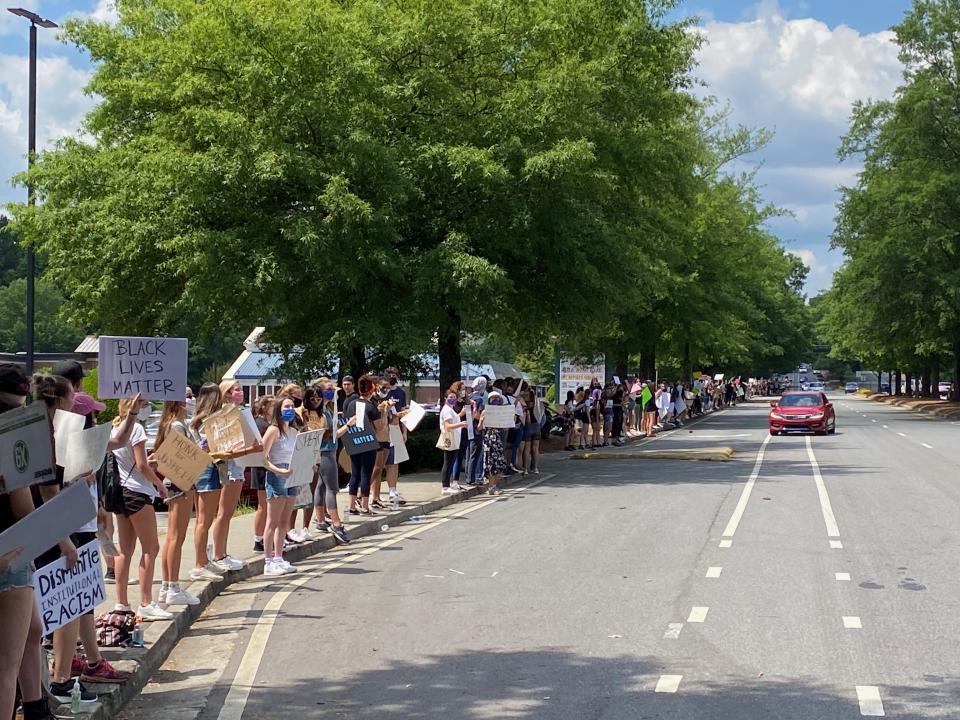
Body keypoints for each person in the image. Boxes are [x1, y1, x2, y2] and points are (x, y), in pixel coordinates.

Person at [33, 375, 136, 704]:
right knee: (68, 605)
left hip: (78, 526)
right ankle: (61, 678)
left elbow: (116, 442)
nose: (94, 417)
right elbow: (52, 491)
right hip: (67, 530)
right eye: (89, 412)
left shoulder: (74, 440)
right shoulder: (54, 442)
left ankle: (83, 663)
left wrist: (132, 414)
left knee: (81, 603)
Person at [0, 368, 71, 718]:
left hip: (11, 549)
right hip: (9, 549)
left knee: (33, 630)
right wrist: (47, 533)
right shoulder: (14, 430)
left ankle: (37, 708)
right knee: (5, 664)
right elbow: (21, 498)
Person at [110, 395, 172, 620]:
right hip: (137, 491)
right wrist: (158, 484)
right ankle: (146, 601)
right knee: (151, 547)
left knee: (124, 549)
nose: (147, 408)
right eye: (144, 404)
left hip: (120, 492)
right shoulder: (135, 428)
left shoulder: (114, 428)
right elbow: (142, 465)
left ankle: (121, 602)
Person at [153, 401, 200, 607]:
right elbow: (180, 457)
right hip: (181, 483)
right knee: (176, 537)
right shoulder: (177, 425)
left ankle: (167, 585)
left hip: (176, 482)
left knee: (173, 537)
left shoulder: (170, 424)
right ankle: (173, 586)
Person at [210, 379, 258, 571]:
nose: (241, 392)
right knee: (223, 512)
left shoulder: (240, 413)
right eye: (237, 389)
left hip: (239, 465)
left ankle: (223, 552)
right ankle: (218, 554)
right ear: (227, 393)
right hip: (229, 466)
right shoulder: (224, 415)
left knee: (229, 512)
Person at [189, 383, 226, 582]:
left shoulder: (194, 421)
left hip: (198, 468)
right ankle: (199, 563)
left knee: (202, 519)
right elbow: (214, 446)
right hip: (209, 467)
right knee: (205, 519)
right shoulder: (211, 421)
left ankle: (202, 559)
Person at [261, 396, 300, 575]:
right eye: (286, 407)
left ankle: (278, 556)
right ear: (279, 409)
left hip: (292, 474)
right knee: (272, 521)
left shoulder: (293, 431)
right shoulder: (273, 430)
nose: (290, 410)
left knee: (284, 520)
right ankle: (268, 560)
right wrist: (278, 471)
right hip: (278, 475)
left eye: (292, 406)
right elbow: (262, 458)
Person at [313, 379, 351, 544]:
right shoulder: (320, 411)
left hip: (330, 449)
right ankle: (336, 522)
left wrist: (348, 425)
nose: (333, 392)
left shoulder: (328, 409)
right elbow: (325, 434)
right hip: (325, 451)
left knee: (321, 486)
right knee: (332, 488)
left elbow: (334, 433)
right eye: (329, 389)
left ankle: (321, 519)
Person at [344, 375, 386, 513]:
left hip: (353, 440)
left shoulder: (351, 404)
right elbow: (379, 427)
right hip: (368, 441)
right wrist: (384, 412)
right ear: (372, 390)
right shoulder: (370, 406)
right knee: (366, 473)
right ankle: (364, 506)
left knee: (355, 473)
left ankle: (351, 506)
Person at [250, 395, 274, 552]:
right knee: (263, 505)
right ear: (265, 407)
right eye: (273, 406)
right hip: (261, 468)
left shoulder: (268, 423)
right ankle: (258, 539)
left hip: (267, 467)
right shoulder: (261, 424)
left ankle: (264, 537)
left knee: (267, 506)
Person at [439, 388, 468, 494]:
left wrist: (460, 415)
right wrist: (462, 424)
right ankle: (445, 486)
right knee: (448, 462)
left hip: (454, 439)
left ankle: (447, 484)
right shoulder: (447, 410)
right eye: (450, 397)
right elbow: (448, 426)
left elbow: (453, 420)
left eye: (454, 398)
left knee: (450, 462)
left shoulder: (451, 410)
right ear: (445, 398)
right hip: (449, 439)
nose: (453, 399)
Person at [481, 390, 507, 494]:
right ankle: (491, 486)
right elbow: (479, 427)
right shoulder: (485, 411)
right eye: (493, 398)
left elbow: (505, 429)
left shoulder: (501, 412)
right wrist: (482, 420)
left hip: (498, 439)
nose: (495, 400)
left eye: (497, 398)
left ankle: (495, 485)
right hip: (489, 439)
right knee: (490, 462)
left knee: (498, 462)